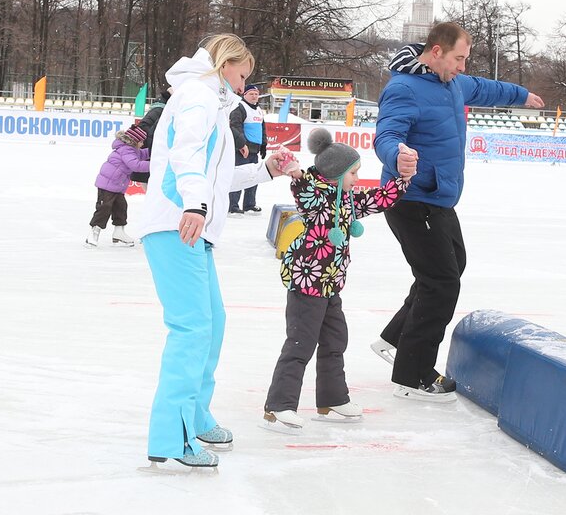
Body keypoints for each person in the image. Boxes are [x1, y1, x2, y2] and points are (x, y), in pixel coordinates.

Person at [138, 34, 293, 469]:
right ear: (225, 64)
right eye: (243, 74)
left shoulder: (213, 101)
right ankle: (175, 435)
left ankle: (195, 413)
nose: (246, 84)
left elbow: (215, 177)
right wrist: (193, 204)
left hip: (191, 226)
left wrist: (264, 170)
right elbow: (185, 156)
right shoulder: (198, 96)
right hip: (177, 224)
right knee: (191, 330)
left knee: (212, 323)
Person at [371, 22, 545, 403]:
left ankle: (395, 338)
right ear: (436, 52)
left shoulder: (453, 83)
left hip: (438, 198)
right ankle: (412, 374)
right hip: (411, 197)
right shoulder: (403, 88)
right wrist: (396, 155)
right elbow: (385, 134)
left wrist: (521, 95)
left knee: (451, 267)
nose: (463, 66)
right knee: (441, 281)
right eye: (458, 58)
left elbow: (486, 87)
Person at [262, 129, 414, 433]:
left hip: (331, 285)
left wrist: (403, 180)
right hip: (307, 285)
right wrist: (295, 172)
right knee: (300, 345)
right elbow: (304, 188)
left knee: (335, 341)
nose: (358, 179)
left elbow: (379, 199)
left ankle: (332, 399)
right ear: (336, 173)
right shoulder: (315, 198)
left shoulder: (347, 199)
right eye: (354, 173)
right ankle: (278, 407)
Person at [85, 125, 150, 247]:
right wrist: (155, 164)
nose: (142, 144)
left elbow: (142, 154)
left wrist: (155, 151)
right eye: (141, 142)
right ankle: (94, 232)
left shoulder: (131, 150)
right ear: (135, 141)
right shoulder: (126, 150)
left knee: (121, 207)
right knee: (104, 208)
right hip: (107, 185)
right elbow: (136, 165)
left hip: (117, 186)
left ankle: (119, 232)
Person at [228, 84, 266, 215]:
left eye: (256, 94)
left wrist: (264, 145)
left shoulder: (259, 110)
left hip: (254, 150)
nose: (254, 96)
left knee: (253, 177)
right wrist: (241, 144)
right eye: (251, 94)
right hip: (242, 149)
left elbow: (262, 128)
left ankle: (249, 205)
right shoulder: (240, 107)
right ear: (245, 95)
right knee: (239, 176)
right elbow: (235, 126)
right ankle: (232, 205)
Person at [129, 87, 173, 190]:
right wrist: (154, 142)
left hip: (148, 153)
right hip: (149, 154)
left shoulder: (159, 108)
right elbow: (143, 127)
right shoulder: (160, 110)